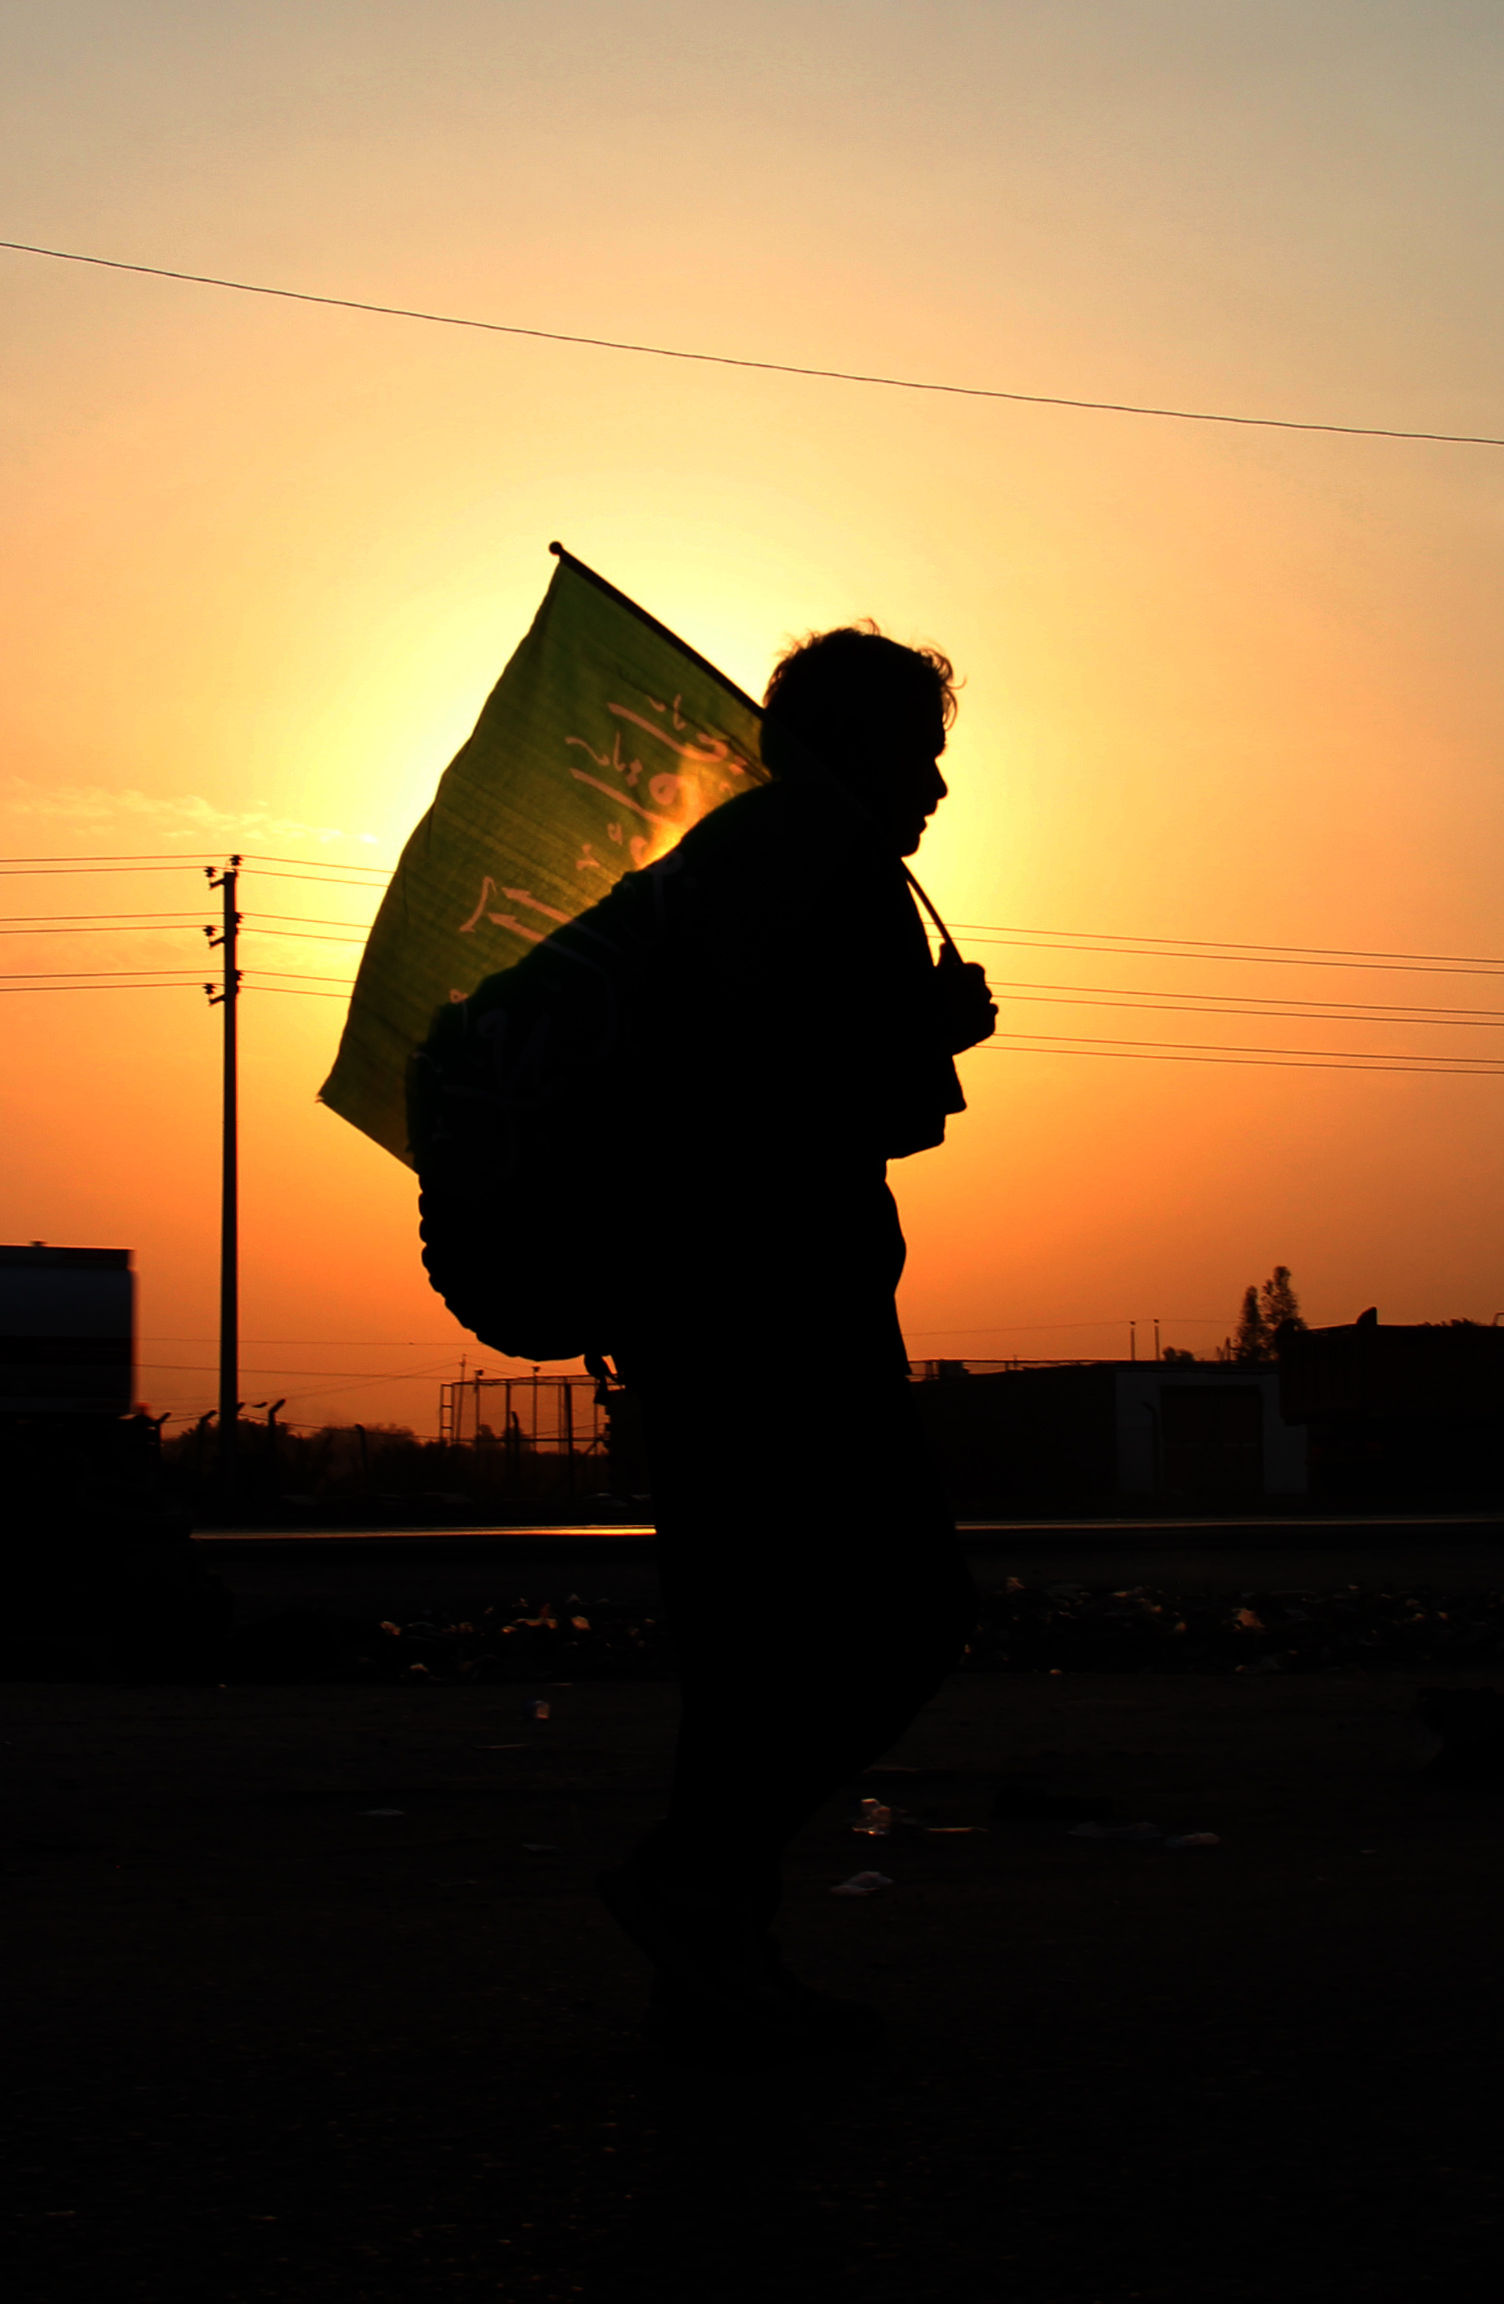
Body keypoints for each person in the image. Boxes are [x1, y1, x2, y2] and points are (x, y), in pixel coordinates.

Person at [594, 622, 996, 2063]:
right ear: (867, 747)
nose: (940, 789)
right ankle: (697, 1881)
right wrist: (939, 1026)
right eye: (927, 756)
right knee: (909, 1609)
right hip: (788, 1316)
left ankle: (707, 1979)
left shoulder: (716, 862)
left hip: (691, 1316)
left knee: (747, 1652)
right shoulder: (833, 869)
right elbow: (809, 1101)